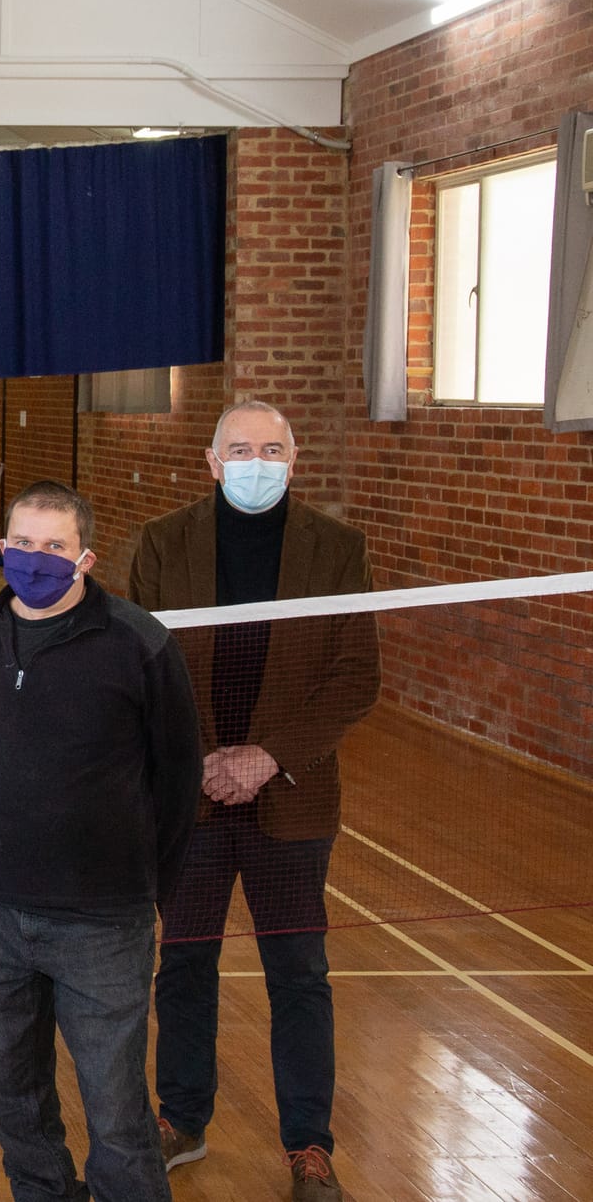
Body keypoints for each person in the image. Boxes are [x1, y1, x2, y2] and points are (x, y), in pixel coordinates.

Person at [131, 401, 380, 1202]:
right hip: (193, 797)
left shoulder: (338, 548)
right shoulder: (163, 543)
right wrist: (201, 760)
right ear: (212, 461)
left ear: (293, 459)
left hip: (290, 800)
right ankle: (181, 1117)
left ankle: (309, 1143)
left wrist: (266, 758)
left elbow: (355, 674)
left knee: (299, 973)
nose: (256, 461)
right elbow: (144, 665)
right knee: (184, 961)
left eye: (271, 449)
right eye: (240, 449)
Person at [0, 479, 202, 1202]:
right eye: (24, 542)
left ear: (85, 557)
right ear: (3, 547)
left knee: (117, 1111)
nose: (36, 557)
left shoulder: (139, 643)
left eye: (55, 546)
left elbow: (178, 776)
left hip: (103, 920)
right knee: (5, 1088)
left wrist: (145, 888)